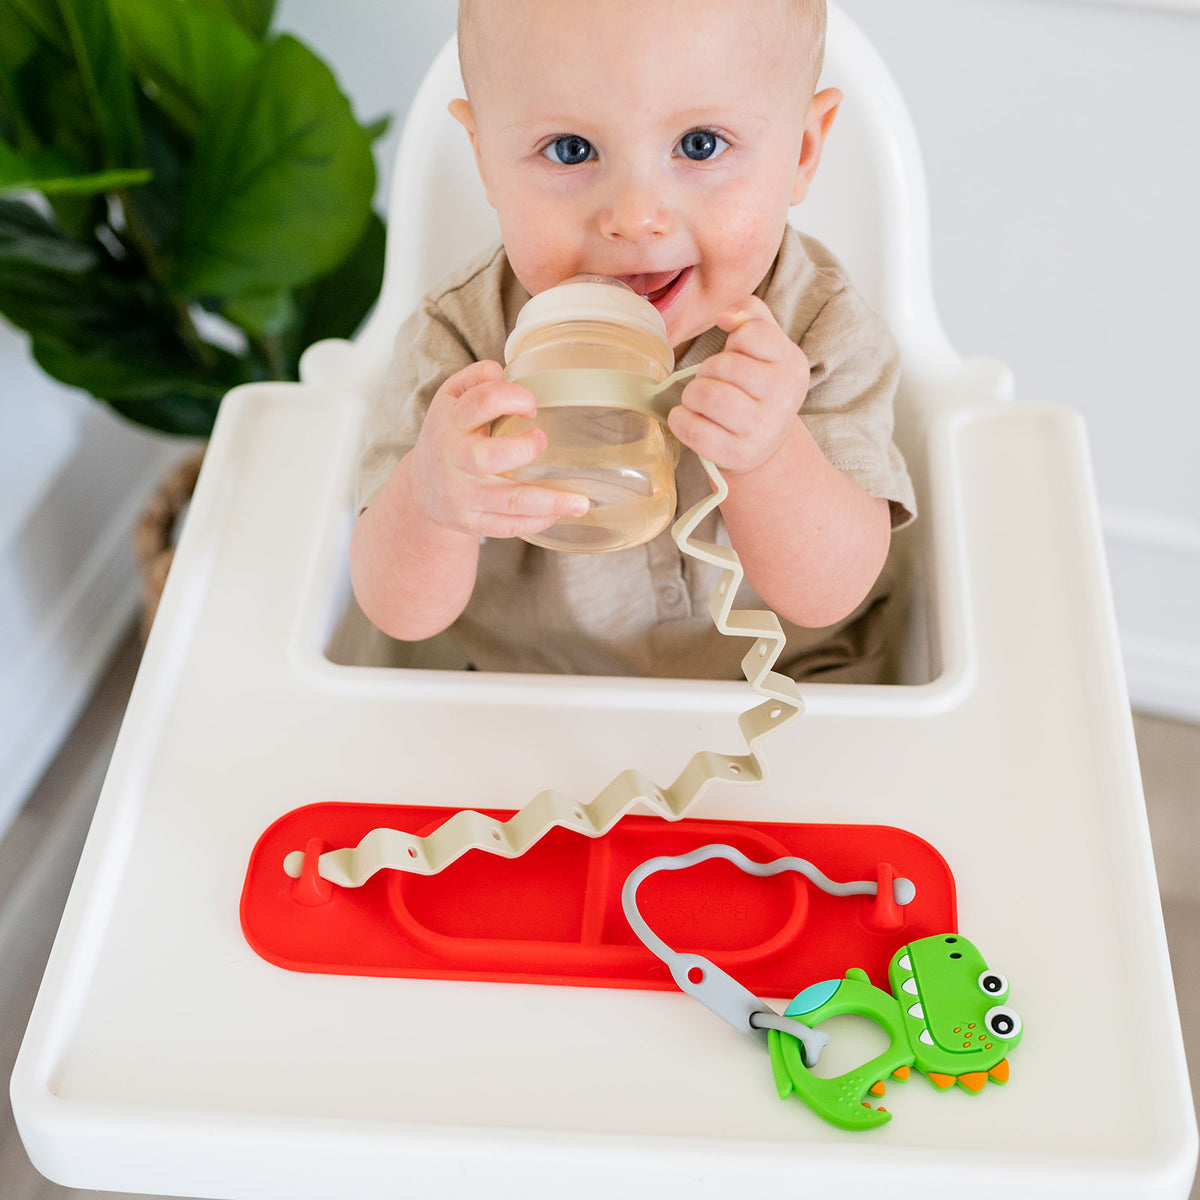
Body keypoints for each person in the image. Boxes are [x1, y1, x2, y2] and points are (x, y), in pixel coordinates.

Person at [351, 0, 916, 682]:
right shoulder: (463, 342)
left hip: (792, 690)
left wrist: (771, 455)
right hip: (532, 701)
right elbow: (400, 617)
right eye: (571, 150)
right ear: (485, 161)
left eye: (700, 144)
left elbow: (831, 594)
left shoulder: (814, 327)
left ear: (801, 151)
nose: (636, 218)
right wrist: (431, 502)